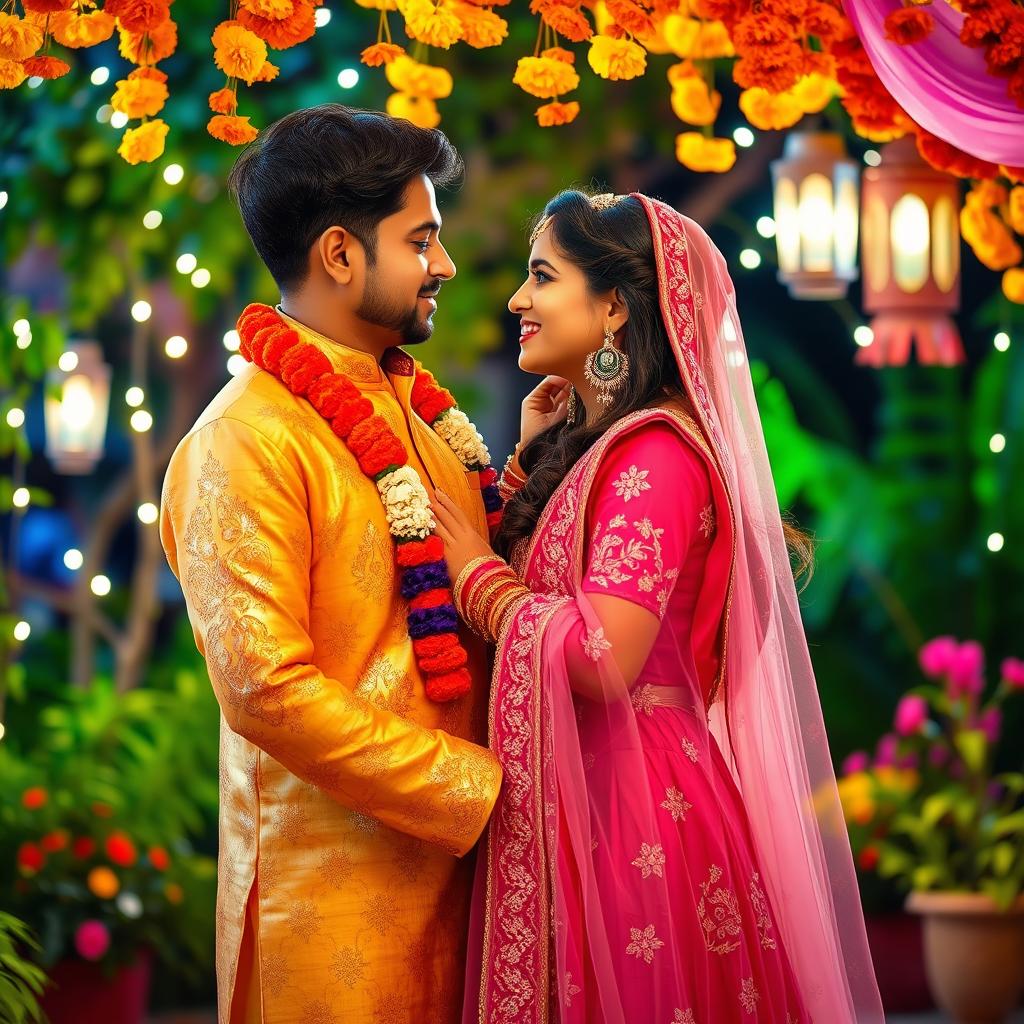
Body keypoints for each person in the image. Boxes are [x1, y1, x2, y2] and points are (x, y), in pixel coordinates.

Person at [432, 190, 886, 1023]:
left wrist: (477, 580)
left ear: (612, 307)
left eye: (542, 277)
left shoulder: (656, 456)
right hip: (591, 793)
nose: (517, 301)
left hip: (637, 812)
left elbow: (606, 658)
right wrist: (538, 461)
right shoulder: (611, 448)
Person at [160, 105, 509, 1024]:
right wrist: (477, 790)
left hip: (467, 882)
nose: (445, 265)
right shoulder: (246, 441)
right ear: (340, 255)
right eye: (421, 239)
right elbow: (265, 688)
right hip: (329, 909)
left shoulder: (426, 419)